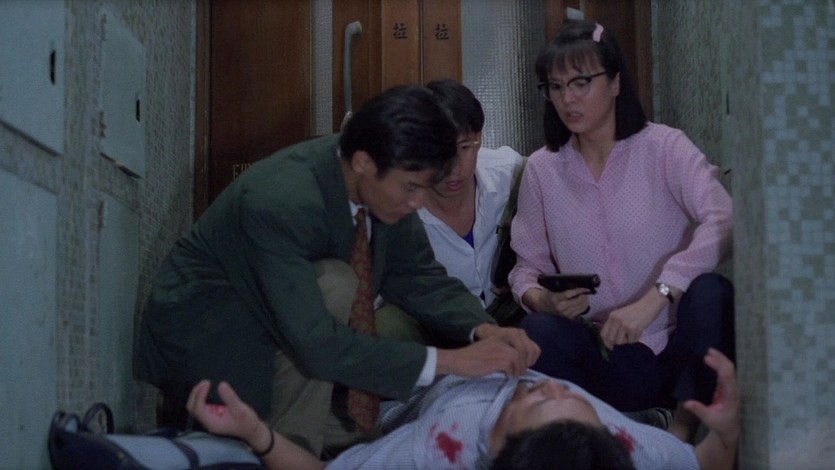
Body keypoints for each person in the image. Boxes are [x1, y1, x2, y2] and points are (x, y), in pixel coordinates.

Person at [134, 84, 540, 457]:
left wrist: (483, 329)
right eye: (411, 188)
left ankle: (296, 439)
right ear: (364, 162)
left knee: (381, 446)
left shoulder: (385, 186)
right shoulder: (278, 201)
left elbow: (418, 276)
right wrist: (454, 361)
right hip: (214, 330)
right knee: (336, 283)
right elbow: (317, 343)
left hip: (295, 340)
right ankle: (282, 448)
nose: (418, 203)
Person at [508, 20, 735, 442]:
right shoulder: (542, 169)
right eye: (555, 87)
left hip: (676, 347)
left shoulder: (663, 147)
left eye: (581, 82)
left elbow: (724, 218)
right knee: (540, 331)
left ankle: (681, 432)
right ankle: (604, 432)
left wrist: (659, 295)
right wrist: (544, 300)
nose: (567, 98)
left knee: (712, 293)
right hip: (607, 353)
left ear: (615, 83)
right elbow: (526, 270)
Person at [188, 348, 741, 470]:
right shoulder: (614, 449)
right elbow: (702, 465)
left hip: (408, 403)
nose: (555, 388)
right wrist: (726, 432)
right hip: (479, 351)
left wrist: (257, 435)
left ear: (501, 446)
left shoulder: (435, 452)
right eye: (569, 397)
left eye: (540, 399)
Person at [375, 79, 527, 341]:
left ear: (479, 138)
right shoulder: (396, 201)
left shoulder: (513, 173)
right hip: (433, 320)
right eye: (439, 151)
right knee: (387, 326)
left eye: (465, 147)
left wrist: (527, 272)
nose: (454, 167)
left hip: (506, 312)